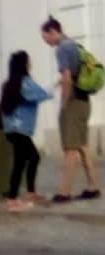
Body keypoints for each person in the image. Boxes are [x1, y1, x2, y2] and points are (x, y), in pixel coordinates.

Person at [40, 15, 101, 202]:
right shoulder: (74, 45)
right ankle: (93, 187)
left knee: (70, 148)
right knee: (82, 146)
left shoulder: (61, 49)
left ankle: (64, 192)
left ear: (53, 31)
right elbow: (74, 74)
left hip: (73, 102)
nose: (46, 42)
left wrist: (64, 103)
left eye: (46, 37)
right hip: (84, 101)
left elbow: (67, 78)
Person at [0, 51, 52, 212]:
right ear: (23, 64)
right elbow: (40, 95)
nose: (31, 64)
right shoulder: (25, 83)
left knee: (24, 160)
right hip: (20, 130)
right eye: (28, 61)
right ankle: (13, 200)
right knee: (29, 159)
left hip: (11, 130)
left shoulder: (9, 84)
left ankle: (29, 193)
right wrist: (55, 86)